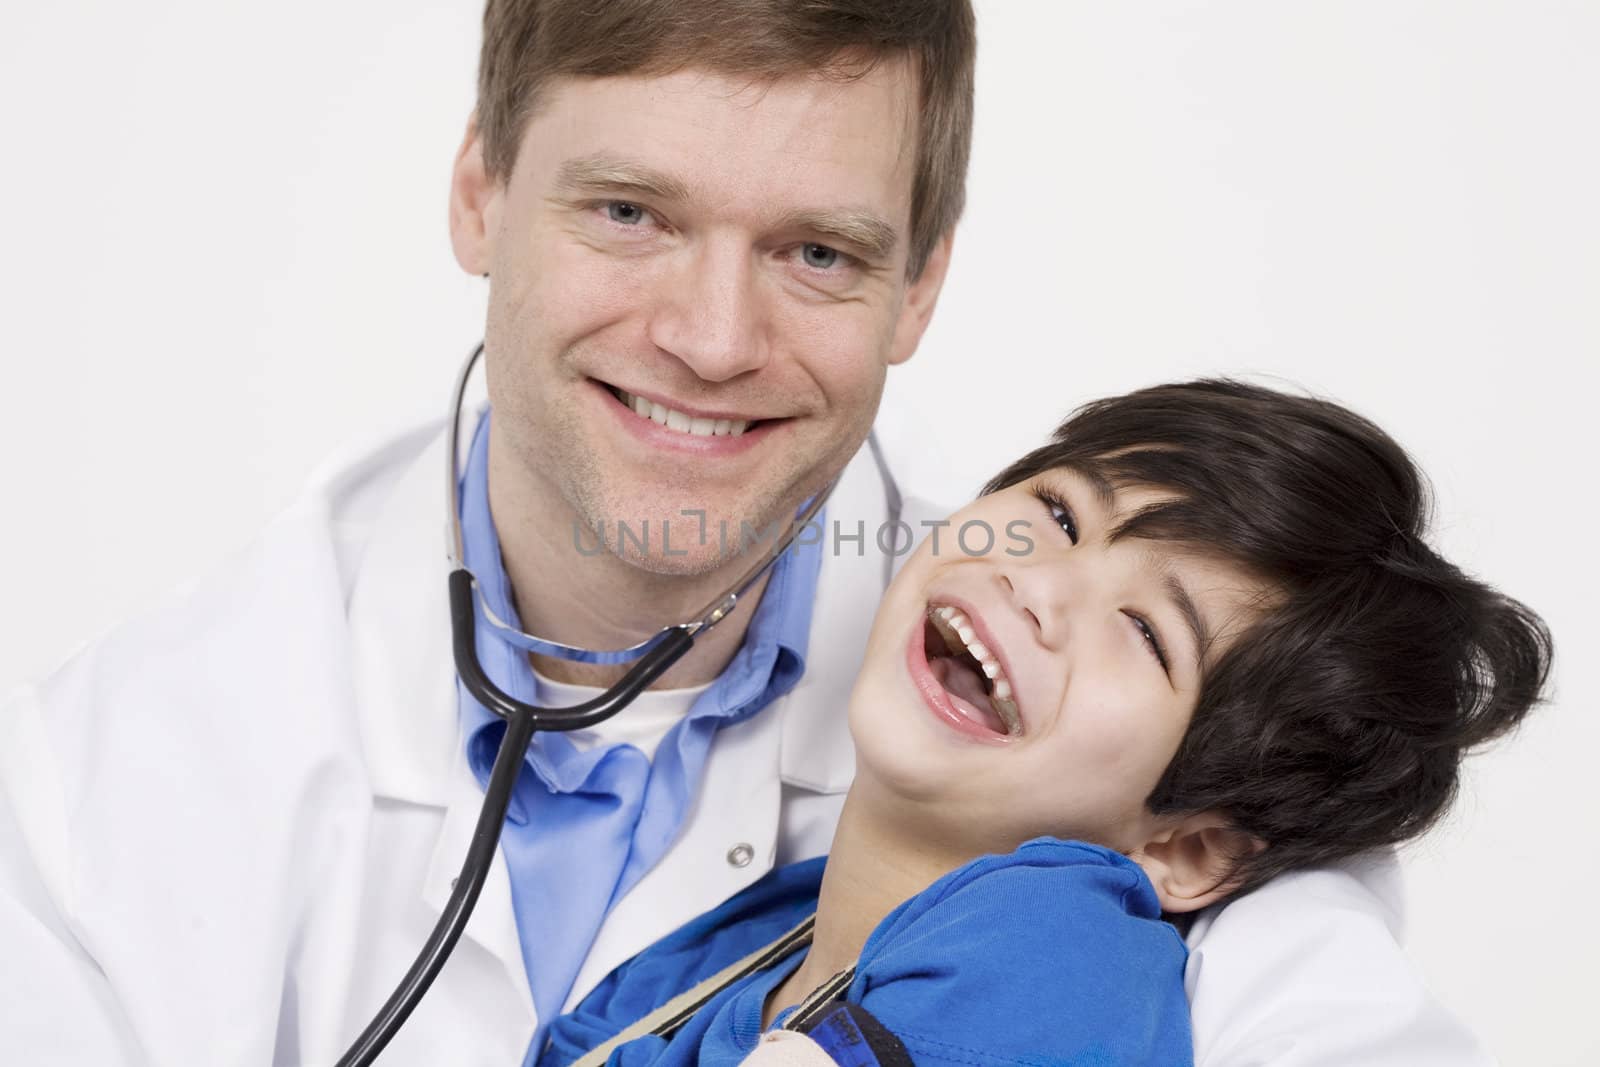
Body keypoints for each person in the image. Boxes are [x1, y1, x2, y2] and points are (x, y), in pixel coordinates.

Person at [0, 2, 1512, 1064]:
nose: (714, 339)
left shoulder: (1137, 760)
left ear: (919, 284)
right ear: (481, 192)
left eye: (815, 250)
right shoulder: (98, 797)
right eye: (630, 214)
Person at [536, 380, 1552, 1067]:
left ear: (1187, 846)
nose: (1038, 585)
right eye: (1062, 512)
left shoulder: (1058, 956)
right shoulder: (759, 936)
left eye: (1147, 632)